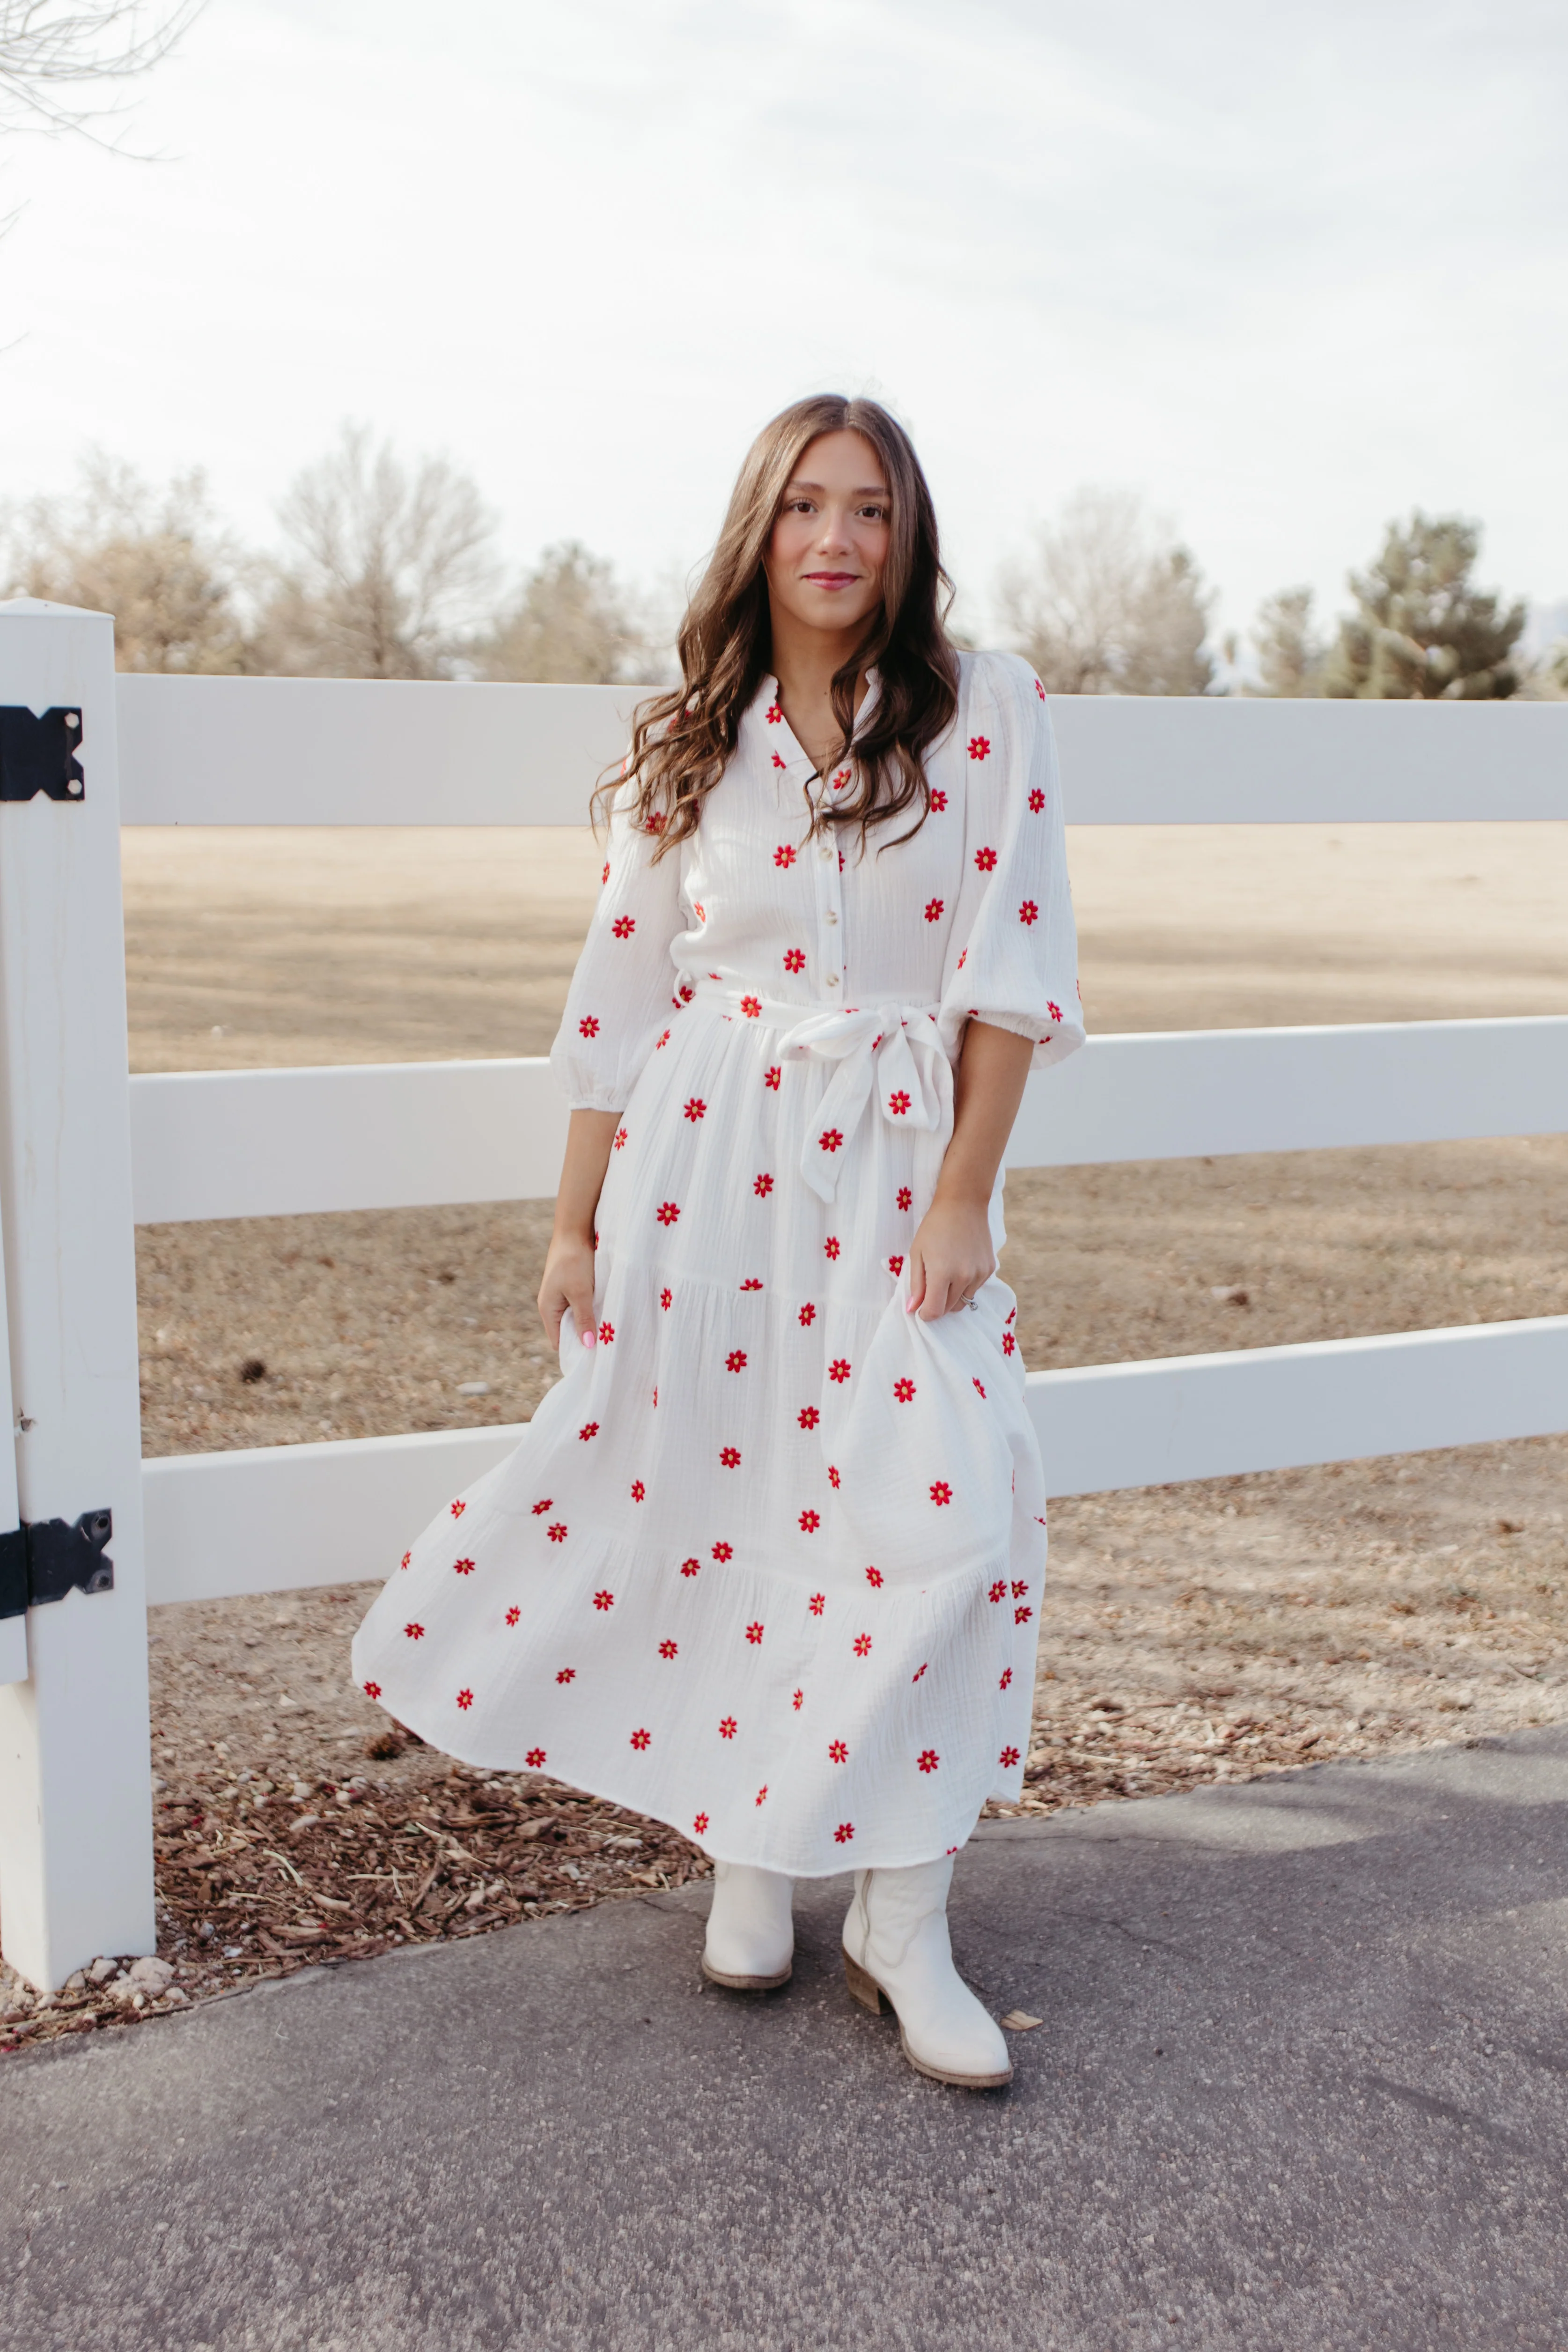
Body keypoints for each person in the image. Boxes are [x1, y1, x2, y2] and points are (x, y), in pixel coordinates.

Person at [353, 393, 1083, 2088]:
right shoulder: (690, 731)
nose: (837, 540)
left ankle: (906, 1915)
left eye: (871, 510)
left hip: (899, 1155)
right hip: (710, 1159)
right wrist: (568, 1220)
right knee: (731, 1494)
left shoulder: (987, 708)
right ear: (757, 528)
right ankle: (755, 1846)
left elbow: (1008, 964)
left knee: (947, 1508)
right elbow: (619, 995)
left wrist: (964, 1186)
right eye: (805, 507)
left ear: (907, 537)